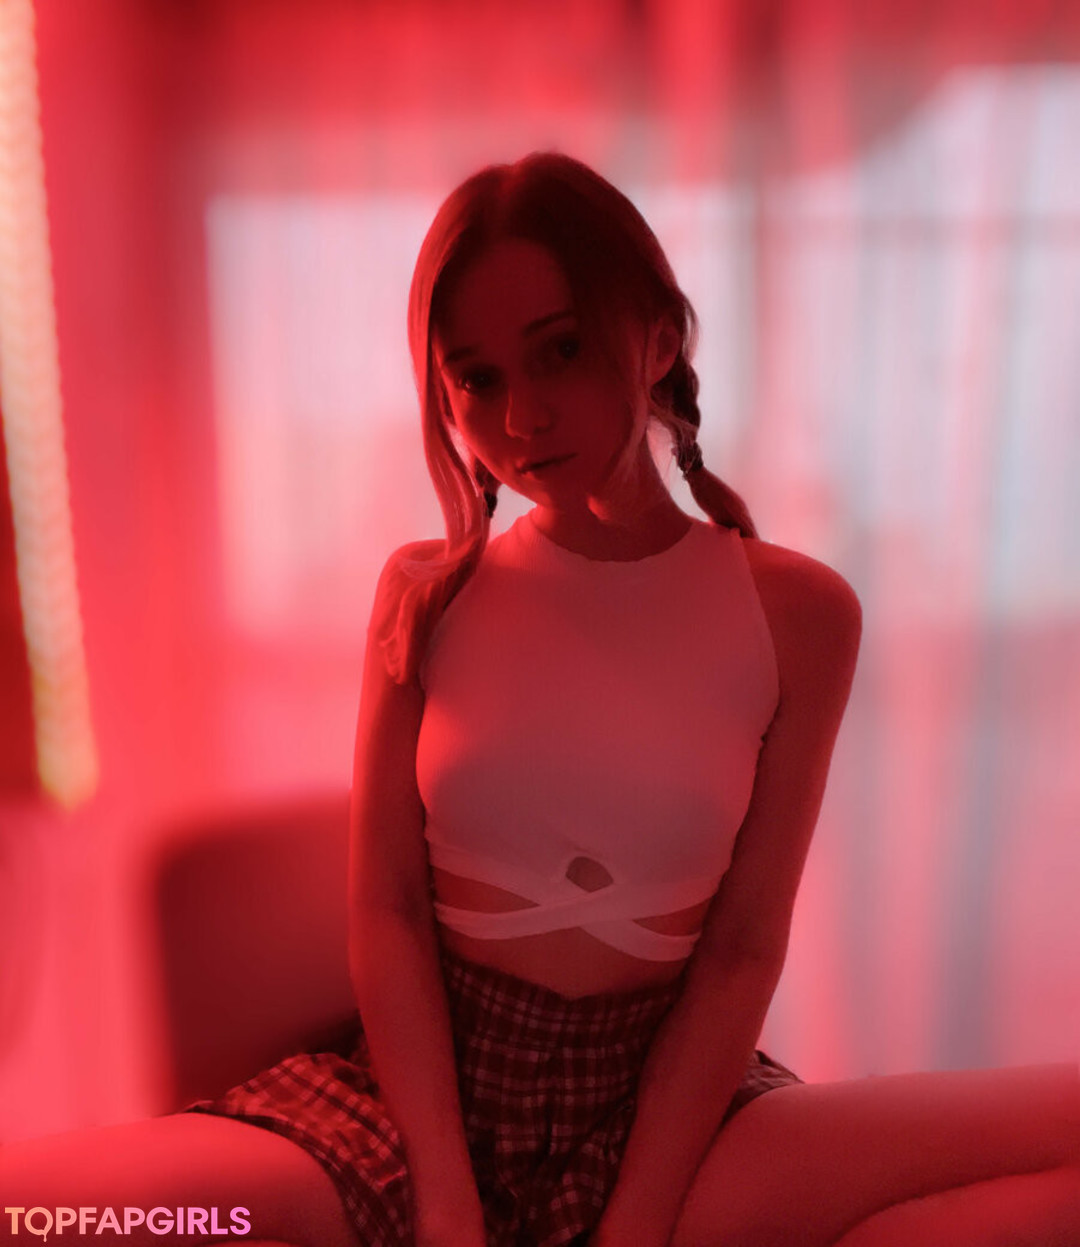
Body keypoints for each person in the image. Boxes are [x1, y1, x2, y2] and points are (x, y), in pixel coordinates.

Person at [1, 153, 1076, 1247]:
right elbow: (387, 909)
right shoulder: (426, 592)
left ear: (659, 337)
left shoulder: (801, 612)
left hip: (673, 1113)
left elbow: (743, 950)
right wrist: (444, 1199)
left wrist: (639, 1219)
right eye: (477, 377)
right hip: (417, 1104)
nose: (522, 415)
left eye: (560, 350)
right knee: (39, 1213)